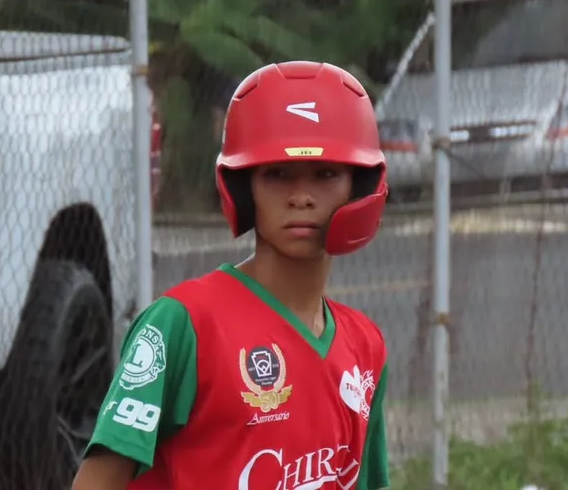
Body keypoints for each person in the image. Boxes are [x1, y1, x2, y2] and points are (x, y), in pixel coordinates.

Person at [72, 60, 391, 490]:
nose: (301, 196)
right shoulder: (182, 326)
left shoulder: (365, 348)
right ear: (242, 187)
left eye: (326, 174)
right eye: (277, 174)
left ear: (361, 186)